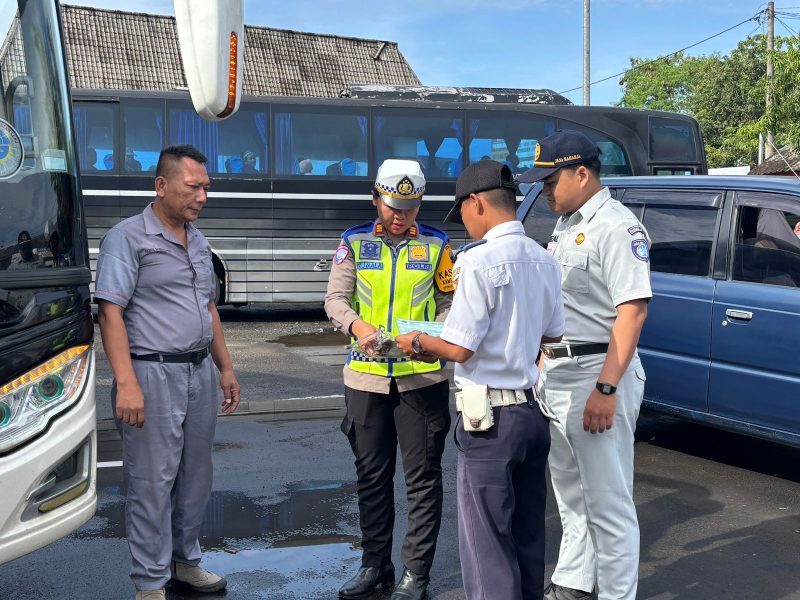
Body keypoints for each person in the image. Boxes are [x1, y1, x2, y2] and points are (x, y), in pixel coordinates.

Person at [396, 160, 565, 600]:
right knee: (528, 537)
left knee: (487, 545)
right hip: (532, 411)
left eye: (464, 213)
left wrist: (417, 340)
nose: (466, 223)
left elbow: (459, 348)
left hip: (488, 420)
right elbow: (552, 334)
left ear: (476, 203)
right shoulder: (545, 259)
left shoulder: (477, 260)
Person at [95, 144, 241, 600]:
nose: (202, 197)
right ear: (161, 185)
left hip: (198, 372)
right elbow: (110, 312)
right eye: (193, 187)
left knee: (196, 476)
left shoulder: (198, 240)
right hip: (150, 374)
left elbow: (209, 308)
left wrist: (225, 367)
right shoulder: (127, 238)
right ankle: (149, 582)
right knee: (152, 482)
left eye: (206, 188)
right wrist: (126, 384)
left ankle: (183, 561)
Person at [518, 130, 652, 600]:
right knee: (572, 495)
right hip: (558, 373)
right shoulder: (565, 223)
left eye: (550, 180)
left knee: (609, 504)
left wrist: (607, 388)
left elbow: (632, 312)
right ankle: (574, 582)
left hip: (596, 372)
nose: (544, 191)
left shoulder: (617, 227)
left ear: (581, 173)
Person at [324, 159, 455, 600]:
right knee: (371, 476)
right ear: (375, 198)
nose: (400, 217)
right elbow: (335, 299)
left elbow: (450, 304)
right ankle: (375, 565)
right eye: (393, 207)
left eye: (410, 208)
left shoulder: (438, 245)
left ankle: (417, 573)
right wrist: (358, 327)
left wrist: (431, 338)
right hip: (366, 378)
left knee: (423, 479)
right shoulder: (354, 242)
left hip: (422, 379)